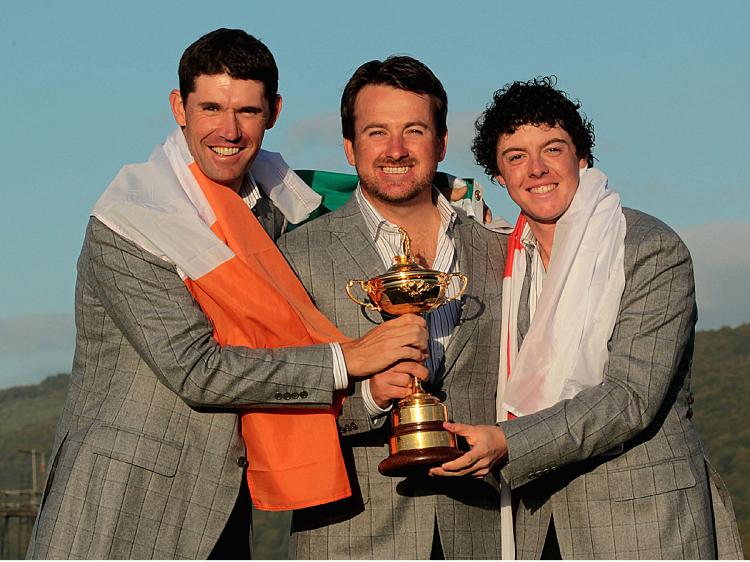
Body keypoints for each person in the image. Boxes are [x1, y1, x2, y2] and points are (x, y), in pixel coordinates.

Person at [26, 29, 429, 560]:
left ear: (274, 112)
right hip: (121, 506)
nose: (229, 130)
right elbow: (197, 371)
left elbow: (356, 191)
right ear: (179, 107)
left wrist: (452, 197)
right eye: (211, 107)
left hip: (228, 507)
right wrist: (347, 359)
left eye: (247, 111)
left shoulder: (276, 208)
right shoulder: (131, 221)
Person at [430, 76, 743, 559]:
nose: (536, 169)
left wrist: (507, 442)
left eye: (552, 149)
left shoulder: (647, 247)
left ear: (582, 158)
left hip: (641, 523)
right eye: (516, 157)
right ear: (498, 176)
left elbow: (630, 396)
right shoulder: (503, 260)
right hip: (537, 524)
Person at [278, 56, 507, 559]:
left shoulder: (500, 252)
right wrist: (368, 400)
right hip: (352, 536)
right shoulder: (295, 258)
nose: (396, 150)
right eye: (377, 132)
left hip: (482, 530)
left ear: (442, 142)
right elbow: (275, 403)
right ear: (348, 145)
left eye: (414, 131)